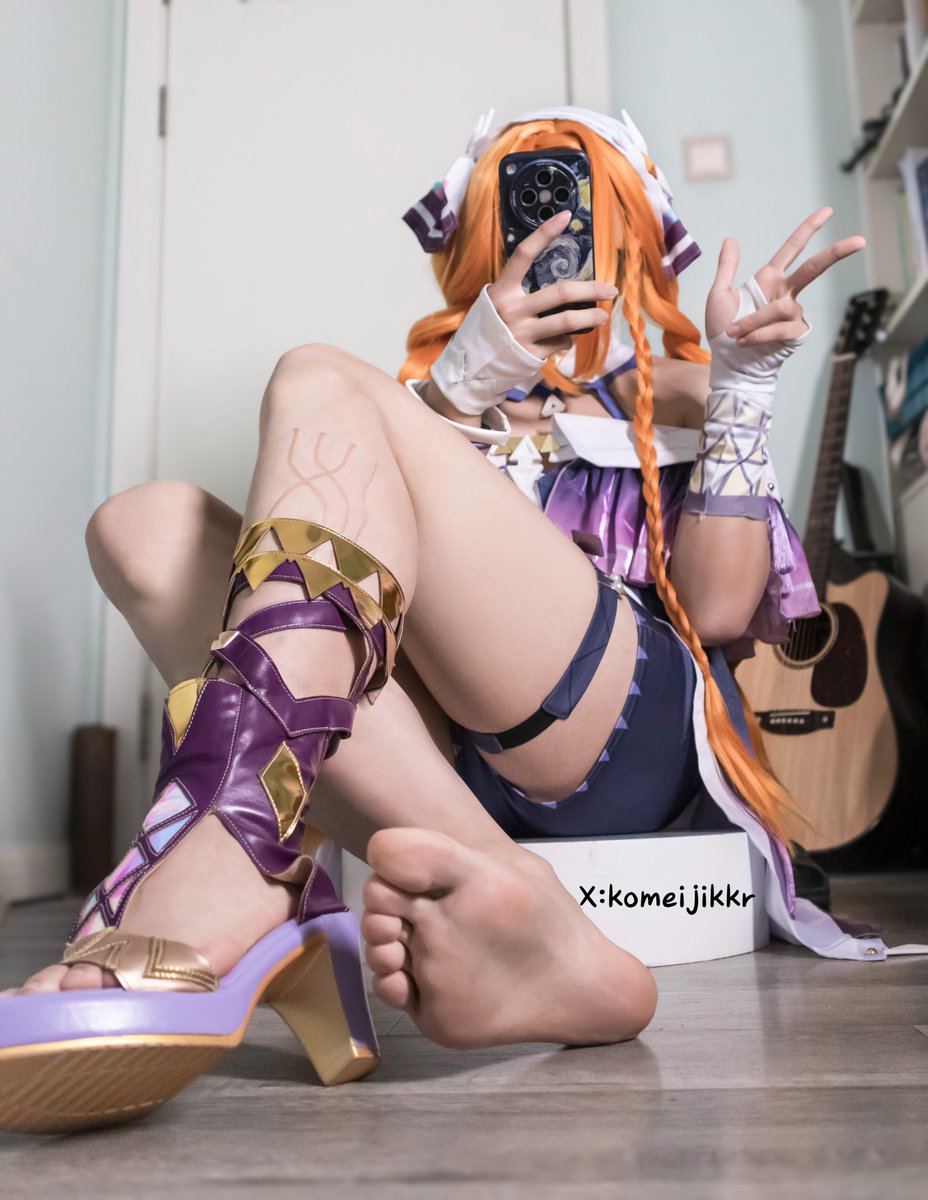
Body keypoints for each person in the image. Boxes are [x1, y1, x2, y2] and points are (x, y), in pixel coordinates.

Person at [0, 107, 876, 1135]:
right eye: (516, 215)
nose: (546, 235)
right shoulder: (427, 396)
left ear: (631, 236)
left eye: (579, 213)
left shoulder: (675, 388)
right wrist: (460, 389)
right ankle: (515, 900)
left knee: (314, 372)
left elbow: (721, 610)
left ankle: (236, 846)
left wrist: (742, 387)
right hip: (447, 770)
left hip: (618, 732)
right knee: (140, 526)